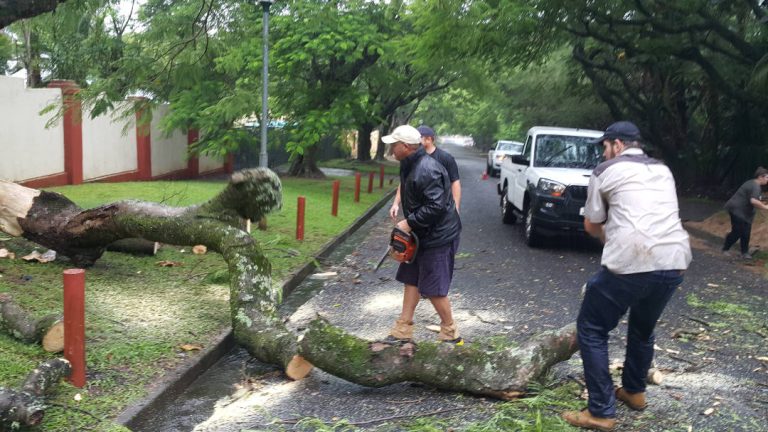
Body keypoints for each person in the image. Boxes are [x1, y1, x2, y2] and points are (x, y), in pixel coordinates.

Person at [562, 121, 692, 431]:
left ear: (617, 144)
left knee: (592, 329)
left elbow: (592, 225)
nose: (604, 154)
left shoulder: (605, 171)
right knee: (643, 328)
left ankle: (601, 411)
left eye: (605, 147)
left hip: (633, 264)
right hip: (674, 261)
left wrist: (618, 242)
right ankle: (634, 392)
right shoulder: (663, 169)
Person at [381, 124, 463, 345]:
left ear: (405, 146)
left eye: (394, 145)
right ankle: (402, 328)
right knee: (411, 278)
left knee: (434, 287)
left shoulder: (426, 169)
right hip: (422, 234)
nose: (390, 150)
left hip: (438, 236)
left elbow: (436, 207)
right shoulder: (409, 164)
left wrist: (409, 223)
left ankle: (451, 333)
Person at [389, 125, 461, 220]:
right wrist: (396, 203)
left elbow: (454, 183)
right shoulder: (408, 160)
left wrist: (455, 208)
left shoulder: (444, 159)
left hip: (436, 213)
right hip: (418, 212)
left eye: (420, 137)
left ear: (429, 139)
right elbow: (404, 182)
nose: (417, 140)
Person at [721, 167, 768, 259]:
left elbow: (756, 198)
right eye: (767, 177)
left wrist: (762, 203)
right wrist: (765, 207)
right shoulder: (755, 186)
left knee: (746, 232)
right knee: (737, 232)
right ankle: (725, 248)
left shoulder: (752, 183)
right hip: (737, 210)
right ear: (760, 177)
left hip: (745, 213)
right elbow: (754, 201)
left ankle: (744, 253)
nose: (767, 180)